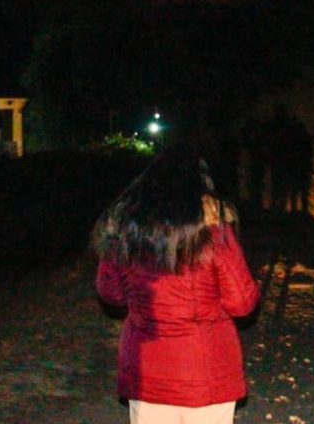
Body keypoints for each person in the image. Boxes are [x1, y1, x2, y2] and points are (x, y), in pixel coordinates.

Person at [93, 143, 260, 424]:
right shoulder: (213, 229)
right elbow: (242, 303)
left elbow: (111, 294)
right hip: (206, 370)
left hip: (147, 369)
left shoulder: (126, 229)